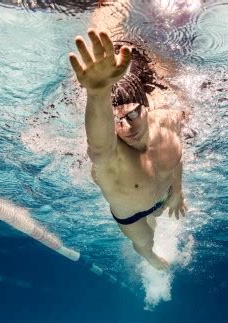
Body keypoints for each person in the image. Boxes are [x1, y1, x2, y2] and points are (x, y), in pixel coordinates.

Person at [69, 30, 187, 270]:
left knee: (157, 217)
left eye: (132, 114)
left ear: (146, 105)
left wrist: (178, 192)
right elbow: (99, 147)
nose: (125, 126)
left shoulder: (169, 120)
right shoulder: (112, 157)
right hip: (131, 215)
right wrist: (98, 92)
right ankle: (149, 257)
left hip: (164, 195)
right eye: (116, 120)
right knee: (145, 240)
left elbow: (175, 159)